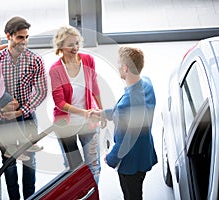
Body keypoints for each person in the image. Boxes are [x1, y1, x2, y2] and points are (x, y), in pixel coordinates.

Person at [90, 46, 158, 200]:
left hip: (130, 164)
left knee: (131, 196)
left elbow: (124, 142)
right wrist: (103, 113)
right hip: (144, 153)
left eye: (119, 64)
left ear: (125, 68)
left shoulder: (126, 105)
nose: (118, 66)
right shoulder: (147, 83)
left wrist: (111, 158)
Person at [0, 16, 48, 200]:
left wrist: (21, 111)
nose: (24, 42)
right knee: (8, 164)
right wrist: (2, 108)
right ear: (8, 36)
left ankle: (29, 198)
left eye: (26, 37)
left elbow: (42, 92)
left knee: (29, 162)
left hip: (27, 118)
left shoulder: (35, 61)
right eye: (20, 37)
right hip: (3, 120)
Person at [49, 26, 105, 184]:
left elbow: (94, 86)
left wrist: (100, 111)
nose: (75, 48)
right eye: (70, 45)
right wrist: (83, 112)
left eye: (76, 43)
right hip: (66, 126)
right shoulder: (55, 70)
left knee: (94, 165)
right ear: (60, 47)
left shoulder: (88, 60)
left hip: (89, 122)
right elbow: (59, 103)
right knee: (73, 169)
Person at [0, 25, 39, 162]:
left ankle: (19, 145)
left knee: (14, 108)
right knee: (11, 113)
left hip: (0, 92)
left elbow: (4, 47)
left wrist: (11, 44)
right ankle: (14, 147)